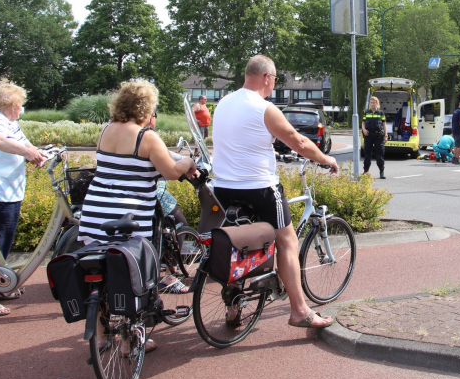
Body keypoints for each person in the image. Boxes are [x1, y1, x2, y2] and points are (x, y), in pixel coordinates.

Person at [212, 55, 338, 329]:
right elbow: (299, 142)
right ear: (267, 77)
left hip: (222, 187)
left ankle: (234, 306)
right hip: (259, 188)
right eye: (275, 79)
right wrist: (326, 159)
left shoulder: (223, 103)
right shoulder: (264, 108)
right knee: (287, 242)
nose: (274, 84)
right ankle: (300, 310)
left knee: (241, 244)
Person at [78, 80, 198, 351]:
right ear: (145, 108)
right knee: (136, 275)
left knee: (101, 274)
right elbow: (170, 171)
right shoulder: (147, 137)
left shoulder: (106, 130)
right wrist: (188, 162)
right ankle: (130, 341)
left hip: (95, 215)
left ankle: (100, 337)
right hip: (129, 218)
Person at [0, 82, 48, 316]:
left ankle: (0, 286)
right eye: (21, 105)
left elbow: (24, 143)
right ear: (13, 105)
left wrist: (39, 153)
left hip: (8, 193)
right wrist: (28, 153)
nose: (22, 109)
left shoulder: (11, 123)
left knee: (3, 246)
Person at [362, 95, 388, 179]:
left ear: (377, 103)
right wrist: (364, 130)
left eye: (373, 103)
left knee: (379, 155)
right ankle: (366, 171)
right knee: (367, 155)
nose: (372, 104)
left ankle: (381, 172)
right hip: (368, 136)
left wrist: (386, 135)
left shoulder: (381, 113)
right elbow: (363, 123)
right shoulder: (366, 112)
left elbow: (384, 124)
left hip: (378, 136)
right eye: (371, 103)